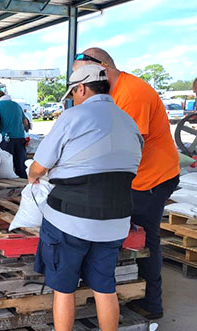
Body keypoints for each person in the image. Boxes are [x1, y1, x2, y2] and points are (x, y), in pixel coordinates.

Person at [29, 64, 143, 331]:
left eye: (74, 93)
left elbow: (39, 165)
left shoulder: (73, 117)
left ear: (81, 88)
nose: (73, 98)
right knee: (105, 286)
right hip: (116, 221)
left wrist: (33, 177)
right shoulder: (128, 121)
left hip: (69, 220)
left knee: (64, 288)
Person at [74, 48, 180, 320]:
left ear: (103, 68)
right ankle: (120, 289)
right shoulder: (103, 93)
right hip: (129, 178)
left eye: (82, 76)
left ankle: (150, 303)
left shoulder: (132, 93)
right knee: (118, 232)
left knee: (145, 237)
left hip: (151, 179)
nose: (80, 83)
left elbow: (127, 145)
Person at [0, 90, 30, 178]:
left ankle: (9, 188)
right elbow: (26, 123)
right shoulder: (16, 105)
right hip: (20, 139)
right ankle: (24, 185)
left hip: (6, 140)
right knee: (21, 165)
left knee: (6, 166)